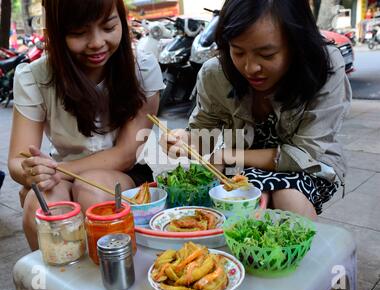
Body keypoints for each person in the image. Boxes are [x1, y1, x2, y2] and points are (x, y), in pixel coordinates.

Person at [161, 0, 351, 220]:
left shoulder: (323, 67)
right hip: (240, 164)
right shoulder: (215, 73)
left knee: (285, 197)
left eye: (267, 54)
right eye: (238, 52)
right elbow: (204, 133)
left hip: (310, 167)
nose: (251, 68)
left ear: (296, 44)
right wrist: (184, 141)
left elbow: (305, 155)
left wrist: (228, 155)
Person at [8, 0, 164, 250]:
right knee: (42, 207)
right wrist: (31, 172)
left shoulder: (142, 69)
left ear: (122, 20)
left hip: (125, 173)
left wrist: (58, 171)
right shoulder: (34, 78)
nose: (96, 42)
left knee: (93, 192)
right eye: (79, 32)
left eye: (109, 27)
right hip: (61, 171)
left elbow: (125, 154)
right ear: (57, 33)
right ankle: (52, 287)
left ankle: (108, 278)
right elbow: (17, 160)